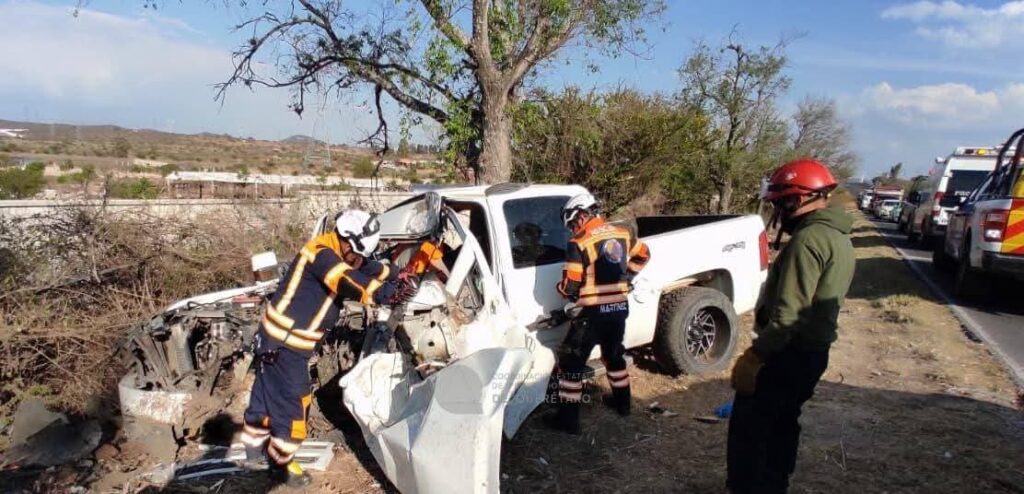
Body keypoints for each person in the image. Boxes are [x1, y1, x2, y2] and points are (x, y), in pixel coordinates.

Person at [240, 210, 415, 487]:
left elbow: (367, 267)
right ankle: (280, 463)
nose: (357, 258)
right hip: (285, 344)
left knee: (264, 394)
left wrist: (397, 273)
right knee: (294, 402)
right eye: (355, 252)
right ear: (344, 239)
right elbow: (345, 279)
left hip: (275, 339)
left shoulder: (341, 251)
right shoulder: (321, 254)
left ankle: (252, 449)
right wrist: (385, 294)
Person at [727, 159, 855, 494]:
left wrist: (755, 356)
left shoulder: (808, 241)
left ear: (796, 199)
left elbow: (788, 316)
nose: (777, 211)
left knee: (752, 431)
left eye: (779, 202)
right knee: (782, 426)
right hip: (811, 353)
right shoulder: (836, 236)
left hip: (788, 354)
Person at [545, 192, 650, 434]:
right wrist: (628, 277)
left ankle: (567, 421)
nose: (572, 229)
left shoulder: (579, 242)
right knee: (613, 355)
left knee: (571, 363)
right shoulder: (622, 233)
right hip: (619, 309)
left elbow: (570, 286)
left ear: (582, 215)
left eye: (572, 223)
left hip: (592, 314)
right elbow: (644, 254)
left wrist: (562, 290)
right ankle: (623, 405)